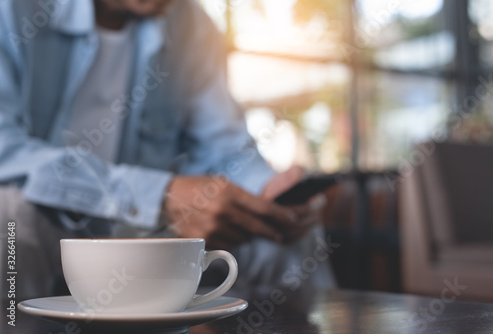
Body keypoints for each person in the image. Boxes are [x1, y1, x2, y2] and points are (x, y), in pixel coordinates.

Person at [0, 0, 335, 300]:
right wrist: (157, 197)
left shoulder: (192, 24)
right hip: (55, 219)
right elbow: (7, 150)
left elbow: (225, 149)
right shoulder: (13, 11)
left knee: (278, 232)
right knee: (10, 222)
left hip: (152, 228)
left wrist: (266, 188)